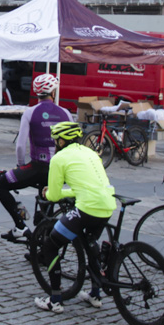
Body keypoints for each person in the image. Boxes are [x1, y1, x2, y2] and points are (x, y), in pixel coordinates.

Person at [33, 121, 115, 314]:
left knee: (51, 244)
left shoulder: (59, 158)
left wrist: (48, 193)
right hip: (107, 204)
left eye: (55, 139)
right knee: (90, 243)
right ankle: (95, 294)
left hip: (87, 208)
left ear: (62, 141)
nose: (54, 142)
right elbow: (86, 186)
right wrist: (69, 193)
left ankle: (55, 300)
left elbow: (53, 195)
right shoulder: (90, 153)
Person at [0, 74, 72, 242]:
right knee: (47, 202)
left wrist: (20, 165)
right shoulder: (66, 113)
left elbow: (20, 145)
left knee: (0, 185)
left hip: (38, 167)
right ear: (53, 92)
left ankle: (20, 227)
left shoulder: (30, 112)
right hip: (60, 170)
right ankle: (43, 249)